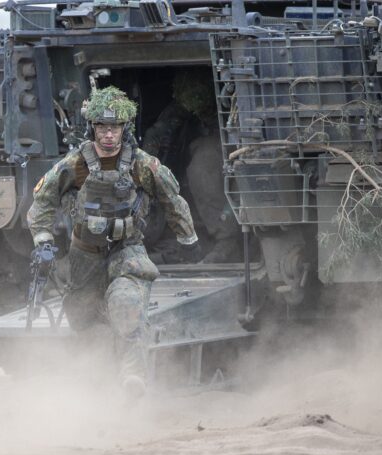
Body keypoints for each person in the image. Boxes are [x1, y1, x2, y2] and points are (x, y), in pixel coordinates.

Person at [27, 86, 200, 399]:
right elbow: (42, 202)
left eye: (115, 128)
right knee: (83, 318)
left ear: (125, 129)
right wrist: (44, 242)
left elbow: (172, 200)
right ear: (93, 129)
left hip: (127, 249)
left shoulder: (142, 165)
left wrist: (188, 240)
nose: (108, 135)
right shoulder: (73, 165)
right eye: (102, 128)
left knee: (125, 304)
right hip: (83, 255)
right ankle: (99, 380)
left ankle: (133, 374)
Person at [142, 69, 241, 263]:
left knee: (203, 165)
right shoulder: (179, 111)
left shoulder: (230, 102)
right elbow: (159, 135)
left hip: (229, 147)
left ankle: (228, 242)